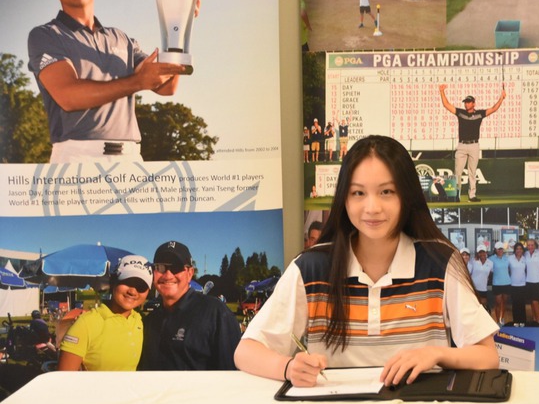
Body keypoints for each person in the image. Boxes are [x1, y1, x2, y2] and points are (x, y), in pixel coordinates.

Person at [234, 135, 499, 388]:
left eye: (386, 192)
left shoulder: (439, 263)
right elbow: (246, 351)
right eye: (358, 193)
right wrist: (289, 367)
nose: (372, 207)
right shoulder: (311, 268)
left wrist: (436, 355)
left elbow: (488, 356)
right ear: (344, 199)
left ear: (406, 196)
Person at [27, 0, 200, 164]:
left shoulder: (121, 38)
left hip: (129, 158)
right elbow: (68, 96)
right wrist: (137, 82)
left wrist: (179, 23)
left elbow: (165, 87)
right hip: (77, 156)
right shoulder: (45, 35)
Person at [139, 241, 241, 370]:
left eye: (176, 267)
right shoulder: (149, 321)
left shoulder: (216, 313)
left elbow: (231, 374)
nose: (168, 275)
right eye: (160, 267)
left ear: (190, 273)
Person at [58, 255, 152, 370]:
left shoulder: (141, 321)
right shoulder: (86, 323)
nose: (132, 291)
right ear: (113, 282)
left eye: (141, 286)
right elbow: (64, 380)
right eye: (127, 281)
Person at [439, 84, 506, 202]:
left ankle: (472, 195)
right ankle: (456, 195)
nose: (466, 104)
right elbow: (446, 105)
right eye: (465, 102)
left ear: (474, 103)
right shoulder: (461, 113)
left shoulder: (479, 114)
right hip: (462, 145)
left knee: (472, 172)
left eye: (469, 102)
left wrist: (501, 98)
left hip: (474, 145)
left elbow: (494, 108)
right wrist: (442, 91)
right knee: (458, 172)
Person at [489, 242, 511, 327]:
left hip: (507, 283)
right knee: (497, 303)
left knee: (504, 302)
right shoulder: (491, 259)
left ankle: (502, 318)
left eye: (501, 249)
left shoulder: (507, 258)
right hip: (497, 284)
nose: (500, 250)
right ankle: (498, 321)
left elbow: (509, 269)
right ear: (495, 250)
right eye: (498, 249)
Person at [524, 239, 539, 325]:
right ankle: (534, 318)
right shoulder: (526, 254)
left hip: (538, 281)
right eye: (528, 245)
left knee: (535, 302)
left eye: (532, 245)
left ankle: (538, 321)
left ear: (535, 245)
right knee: (532, 302)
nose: (530, 247)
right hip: (528, 281)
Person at [470, 245, 494, 315]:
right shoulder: (473, 261)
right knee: (474, 306)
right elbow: (469, 273)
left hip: (483, 288)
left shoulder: (490, 263)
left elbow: (490, 273)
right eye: (480, 252)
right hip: (474, 288)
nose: (482, 254)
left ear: (486, 252)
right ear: (478, 253)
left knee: (483, 307)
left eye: (483, 252)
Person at [508, 242, 527, 326]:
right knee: (515, 304)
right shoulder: (510, 258)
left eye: (520, 249)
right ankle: (516, 321)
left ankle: (522, 321)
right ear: (514, 250)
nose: (519, 250)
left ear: (522, 250)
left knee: (522, 304)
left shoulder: (525, 259)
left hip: (523, 285)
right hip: (513, 285)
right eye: (517, 249)